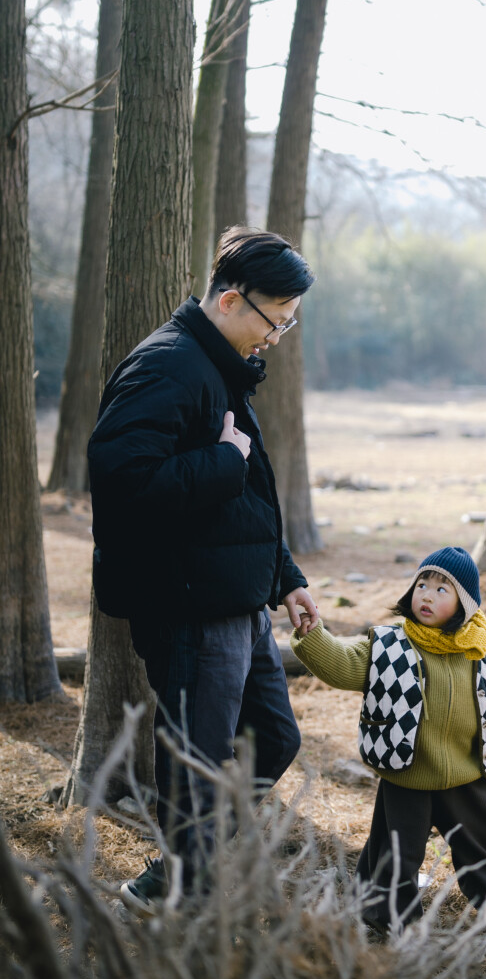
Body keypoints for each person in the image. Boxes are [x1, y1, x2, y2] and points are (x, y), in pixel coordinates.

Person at [88, 227, 321, 914]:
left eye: (289, 323)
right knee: (199, 755)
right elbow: (121, 481)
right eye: (274, 321)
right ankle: (178, 900)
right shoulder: (168, 365)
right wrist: (223, 460)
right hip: (188, 606)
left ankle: (187, 861)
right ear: (228, 300)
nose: (277, 337)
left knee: (274, 738)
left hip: (239, 599)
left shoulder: (216, 365)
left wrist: (285, 577)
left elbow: (245, 499)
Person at [291, 546, 486, 926]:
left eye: (443, 589)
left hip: (467, 770)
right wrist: (313, 636)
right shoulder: (388, 647)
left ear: (464, 604)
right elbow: (343, 665)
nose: (427, 594)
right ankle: (387, 910)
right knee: (394, 849)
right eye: (422, 584)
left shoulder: (483, 652)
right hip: (407, 769)